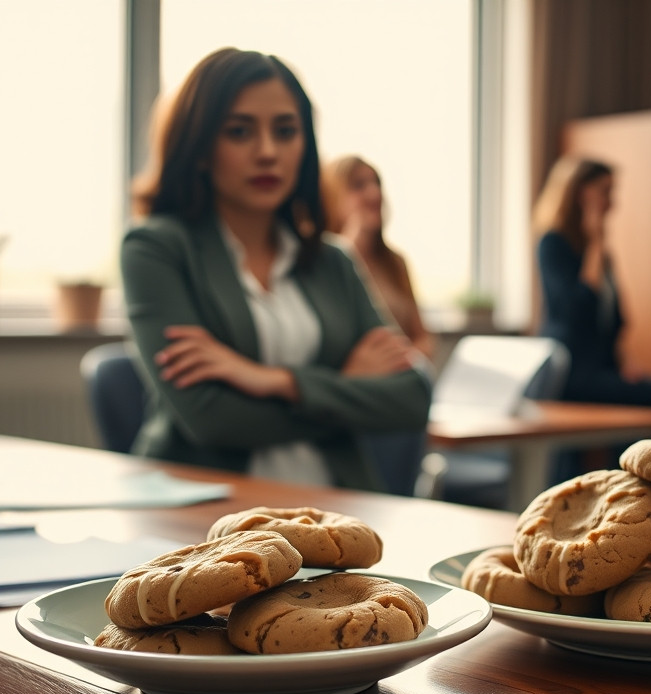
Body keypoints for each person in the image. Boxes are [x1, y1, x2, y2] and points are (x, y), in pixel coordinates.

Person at [121, 48, 430, 491]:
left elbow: (410, 400)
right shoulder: (155, 249)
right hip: (204, 518)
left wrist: (271, 380)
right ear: (201, 145)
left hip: (336, 510)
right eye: (239, 131)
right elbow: (210, 420)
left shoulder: (332, 261)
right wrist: (344, 389)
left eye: (285, 131)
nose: (267, 152)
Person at [534, 156, 651, 450]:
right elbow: (576, 310)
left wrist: (626, 363)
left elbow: (615, 320)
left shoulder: (602, 256)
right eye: (605, 191)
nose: (613, 201)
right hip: (571, 373)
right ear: (580, 193)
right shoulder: (554, 244)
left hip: (604, 369)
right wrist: (596, 242)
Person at [321, 155, 434, 360]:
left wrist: (400, 360)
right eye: (358, 185)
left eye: (376, 183)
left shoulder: (395, 262)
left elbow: (423, 339)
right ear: (333, 196)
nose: (374, 193)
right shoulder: (323, 263)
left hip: (400, 376)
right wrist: (349, 245)